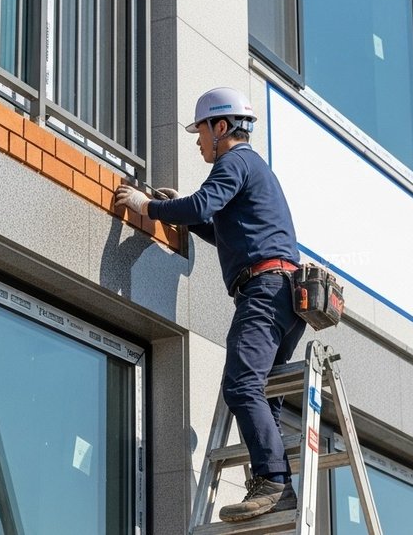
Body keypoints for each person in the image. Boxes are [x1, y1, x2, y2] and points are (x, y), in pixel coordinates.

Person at [115, 87, 306, 522]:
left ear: (221, 127)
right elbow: (217, 226)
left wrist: (147, 205)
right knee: (263, 395)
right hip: (282, 294)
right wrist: (171, 208)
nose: (198, 140)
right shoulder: (250, 168)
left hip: (264, 291)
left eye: (200, 130)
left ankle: (272, 481)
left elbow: (203, 204)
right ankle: (279, 485)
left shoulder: (234, 161)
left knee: (241, 386)